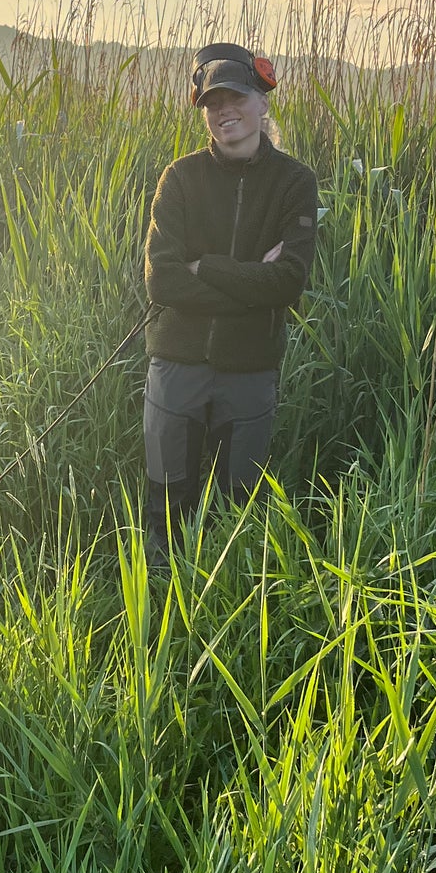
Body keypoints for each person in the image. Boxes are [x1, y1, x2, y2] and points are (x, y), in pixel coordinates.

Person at [142, 41, 318, 567]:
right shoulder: (180, 178)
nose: (225, 112)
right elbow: (163, 283)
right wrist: (251, 279)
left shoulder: (294, 182)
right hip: (176, 366)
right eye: (213, 103)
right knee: (165, 506)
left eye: (236, 97)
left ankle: (226, 609)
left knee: (239, 509)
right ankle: (160, 604)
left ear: (263, 102)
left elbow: (287, 284)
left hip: (249, 370)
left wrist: (207, 266)